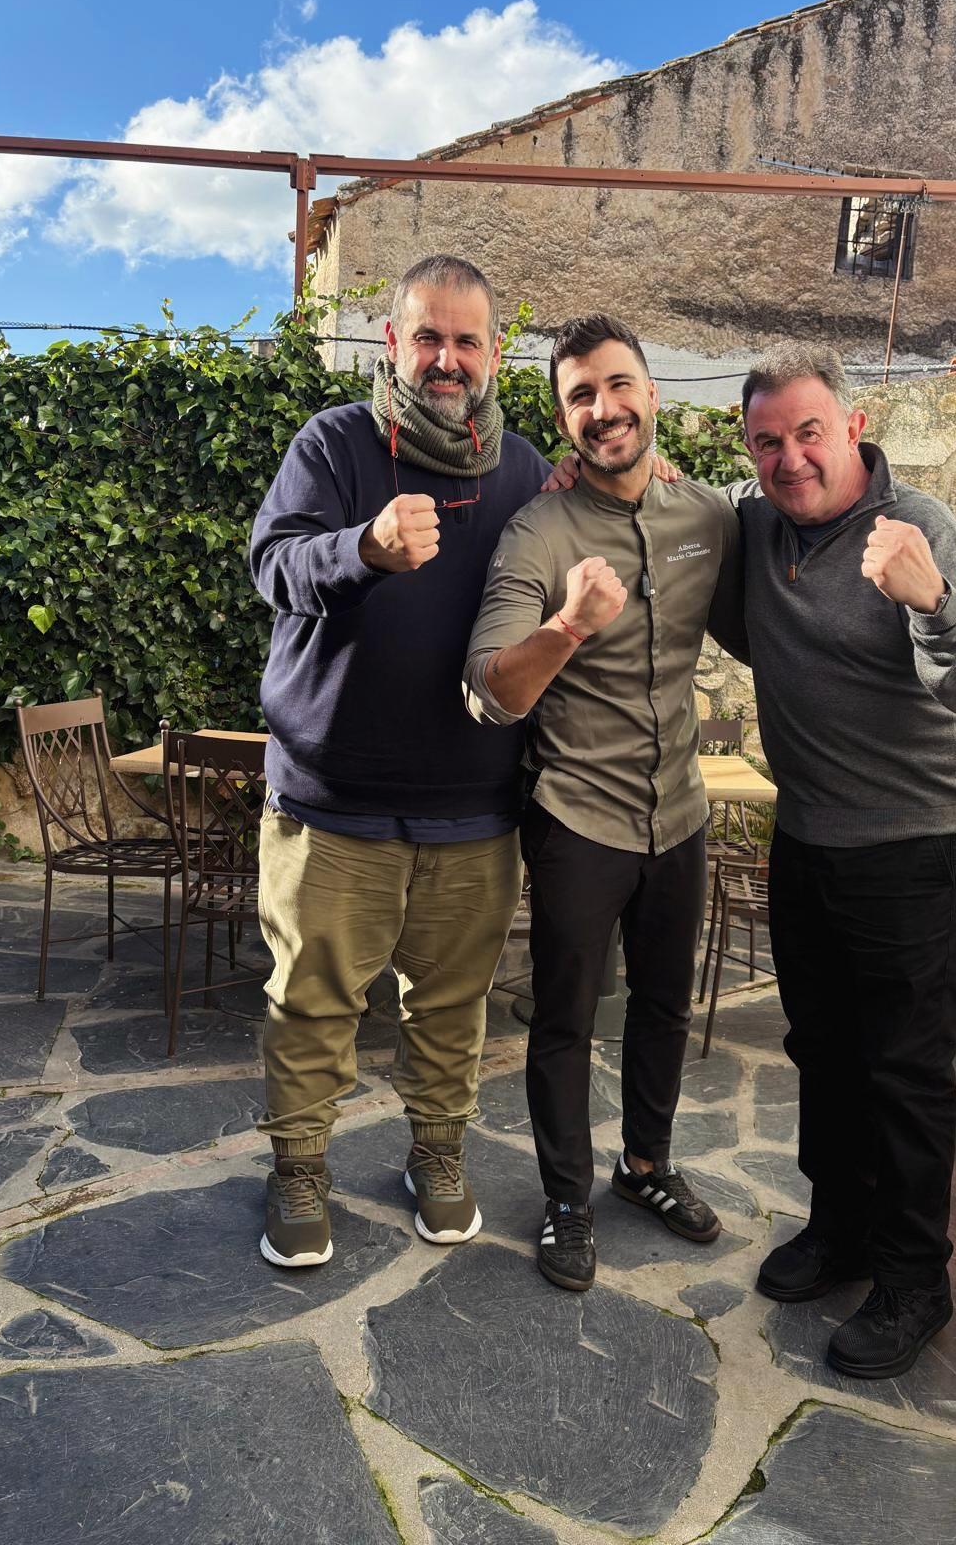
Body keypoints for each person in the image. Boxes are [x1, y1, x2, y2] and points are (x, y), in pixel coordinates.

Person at [248, 254, 552, 1267]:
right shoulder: (334, 443)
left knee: (452, 1010)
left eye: (466, 340)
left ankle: (437, 1154)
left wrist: (654, 482)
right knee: (311, 1006)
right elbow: (271, 563)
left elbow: (597, 530)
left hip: (475, 805)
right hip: (332, 803)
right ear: (392, 341)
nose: (446, 359)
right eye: (428, 337)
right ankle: (298, 1170)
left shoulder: (525, 473)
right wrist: (361, 550)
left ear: (496, 352)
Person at [712, 342, 956, 1379]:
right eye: (768, 442)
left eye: (809, 433)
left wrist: (930, 600)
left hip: (914, 849)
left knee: (906, 1077)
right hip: (808, 839)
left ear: (854, 427)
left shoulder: (916, 527)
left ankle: (915, 1280)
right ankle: (838, 1228)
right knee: (825, 1055)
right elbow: (702, 566)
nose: (791, 458)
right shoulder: (755, 529)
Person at [463, 314, 743, 1292]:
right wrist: (570, 626)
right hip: (578, 815)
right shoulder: (538, 532)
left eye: (619, 385)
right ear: (562, 418)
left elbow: (769, 610)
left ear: (654, 395)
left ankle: (646, 1166)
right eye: (580, 395)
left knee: (664, 1005)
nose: (604, 408)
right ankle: (567, 1199)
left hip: (681, 812)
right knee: (566, 1020)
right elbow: (489, 691)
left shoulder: (707, 517)